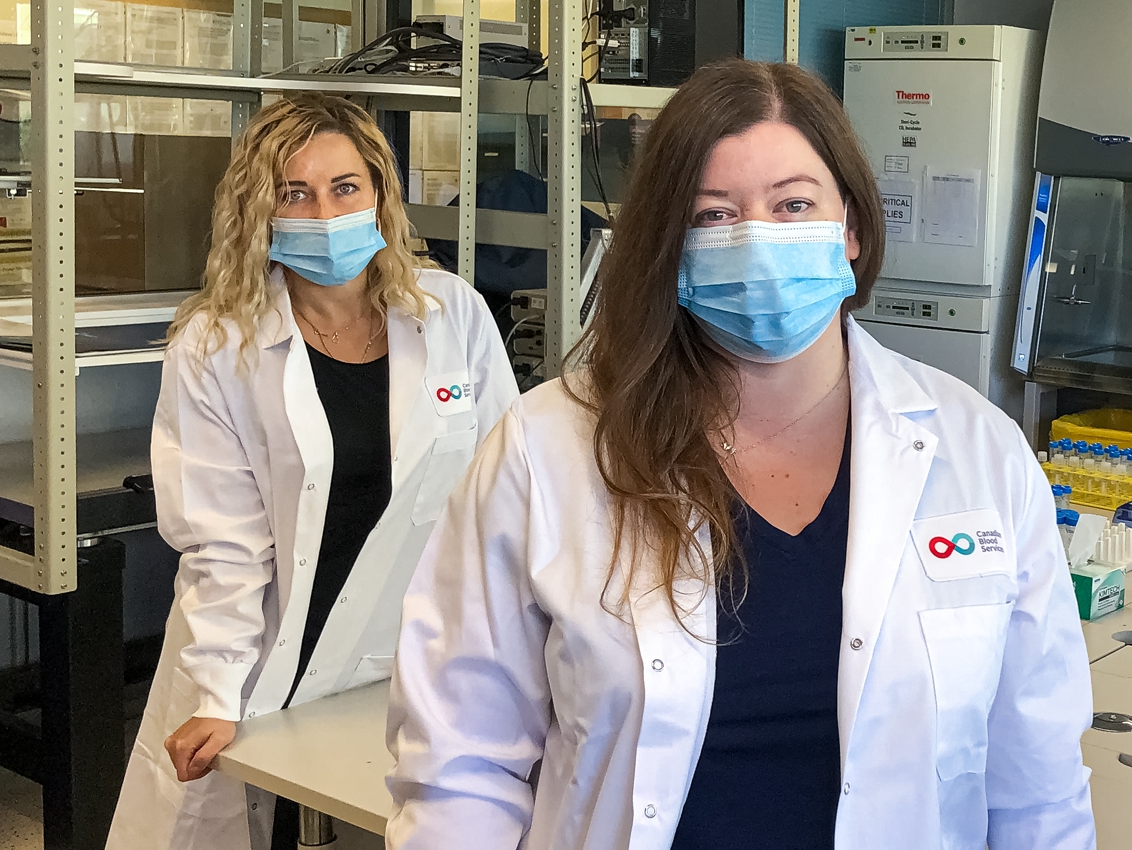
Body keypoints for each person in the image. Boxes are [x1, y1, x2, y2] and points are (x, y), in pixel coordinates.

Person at [386, 59, 1095, 849]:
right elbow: (457, 766)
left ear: (852, 229)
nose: (760, 240)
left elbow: (1038, 788)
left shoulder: (980, 451)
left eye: (795, 204)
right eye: (715, 217)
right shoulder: (546, 447)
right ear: (669, 247)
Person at [108, 93, 519, 850]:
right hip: (263, 647)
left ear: (381, 195)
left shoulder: (452, 312)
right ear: (259, 210)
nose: (323, 213)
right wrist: (216, 689)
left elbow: (504, 492)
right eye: (294, 193)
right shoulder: (214, 344)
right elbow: (222, 543)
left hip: (405, 651)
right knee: (215, 823)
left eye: (344, 187)